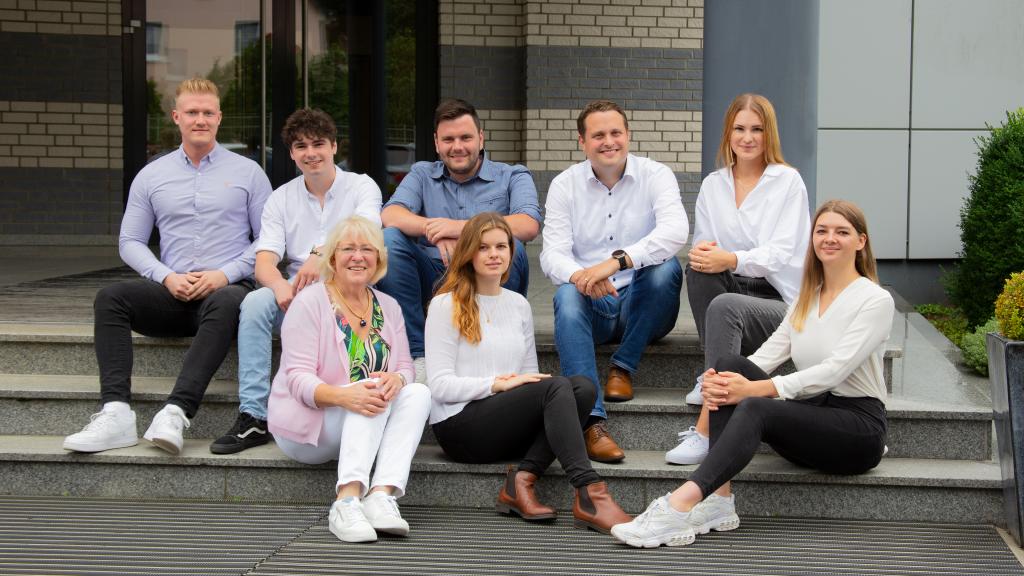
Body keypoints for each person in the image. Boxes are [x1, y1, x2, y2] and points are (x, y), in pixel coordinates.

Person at [612, 200, 894, 548]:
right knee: (730, 366)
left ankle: (681, 501)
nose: (829, 239)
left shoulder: (875, 300)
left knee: (755, 402)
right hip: (814, 418)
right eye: (822, 231)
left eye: (841, 232)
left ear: (861, 242)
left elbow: (833, 371)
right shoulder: (808, 298)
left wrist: (754, 389)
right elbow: (767, 356)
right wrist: (723, 382)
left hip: (857, 431)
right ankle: (718, 501)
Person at [63, 78, 272, 455]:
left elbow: (269, 241)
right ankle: (116, 414)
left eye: (208, 112)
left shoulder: (249, 173)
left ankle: (176, 412)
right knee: (110, 297)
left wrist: (224, 273)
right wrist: (166, 276)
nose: (200, 119)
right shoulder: (152, 175)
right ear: (176, 117)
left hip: (226, 295)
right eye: (192, 112)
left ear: (219, 118)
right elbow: (129, 242)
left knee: (227, 299)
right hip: (172, 293)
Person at [424, 212, 631, 534]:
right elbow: (438, 386)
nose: (494, 254)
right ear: (468, 254)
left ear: (511, 253)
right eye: (483, 247)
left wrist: (518, 386)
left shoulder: (518, 304)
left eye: (501, 246)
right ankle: (590, 492)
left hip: (505, 424)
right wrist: (498, 385)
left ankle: (521, 480)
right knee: (557, 388)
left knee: (583, 389)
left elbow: (530, 377)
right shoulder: (445, 305)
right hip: (461, 428)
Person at [211, 108, 382, 455]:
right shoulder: (281, 198)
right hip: (298, 293)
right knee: (255, 302)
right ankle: (254, 417)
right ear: (291, 153)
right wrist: (279, 288)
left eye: (318, 144)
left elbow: (365, 236)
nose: (310, 153)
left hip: (348, 292)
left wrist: (322, 256)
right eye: (301, 146)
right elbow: (264, 261)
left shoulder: (361, 186)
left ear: (334, 147)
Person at [540, 100, 688, 463]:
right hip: (596, 304)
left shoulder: (656, 175)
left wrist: (616, 262)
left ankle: (623, 367)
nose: (609, 141)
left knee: (666, 268)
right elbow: (551, 253)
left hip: (646, 306)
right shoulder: (565, 185)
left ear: (628, 135)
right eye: (598, 135)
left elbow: (676, 231)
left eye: (615, 132)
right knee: (566, 296)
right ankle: (590, 419)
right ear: (582, 141)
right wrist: (581, 276)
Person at [666, 93, 810, 465]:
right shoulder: (714, 185)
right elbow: (704, 244)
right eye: (740, 128)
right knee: (697, 272)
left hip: (777, 302)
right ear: (728, 133)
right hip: (728, 290)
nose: (748, 137)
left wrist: (731, 258)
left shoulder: (787, 182)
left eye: (757, 129)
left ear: (769, 134)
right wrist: (706, 256)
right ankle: (714, 369)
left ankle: (708, 426)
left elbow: (780, 253)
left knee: (725, 303)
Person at [267, 216, 430, 543]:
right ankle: (346, 501)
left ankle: (381, 495)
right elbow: (296, 379)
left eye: (367, 249)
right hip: (309, 426)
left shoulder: (389, 306)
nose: (358, 256)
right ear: (333, 259)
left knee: (417, 392)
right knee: (369, 389)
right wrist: (346, 396)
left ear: (379, 259)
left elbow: (404, 366)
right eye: (349, 249)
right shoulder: (310, 302)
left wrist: (397, 379)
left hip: (361, 418)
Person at [376, 98, 542, 382]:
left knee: (514, 252)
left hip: (486, 278)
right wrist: (434, 229)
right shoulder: (422, 174)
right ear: (437, 143)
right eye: (448, 139)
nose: (457, 146)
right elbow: (391, 214)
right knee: (389, 240)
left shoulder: (512, 175)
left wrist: (459, 230)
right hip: (433, 275)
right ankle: (419, 354)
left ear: (480, 138)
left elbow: (527, 224)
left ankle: (492, 344)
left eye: (465, 137)